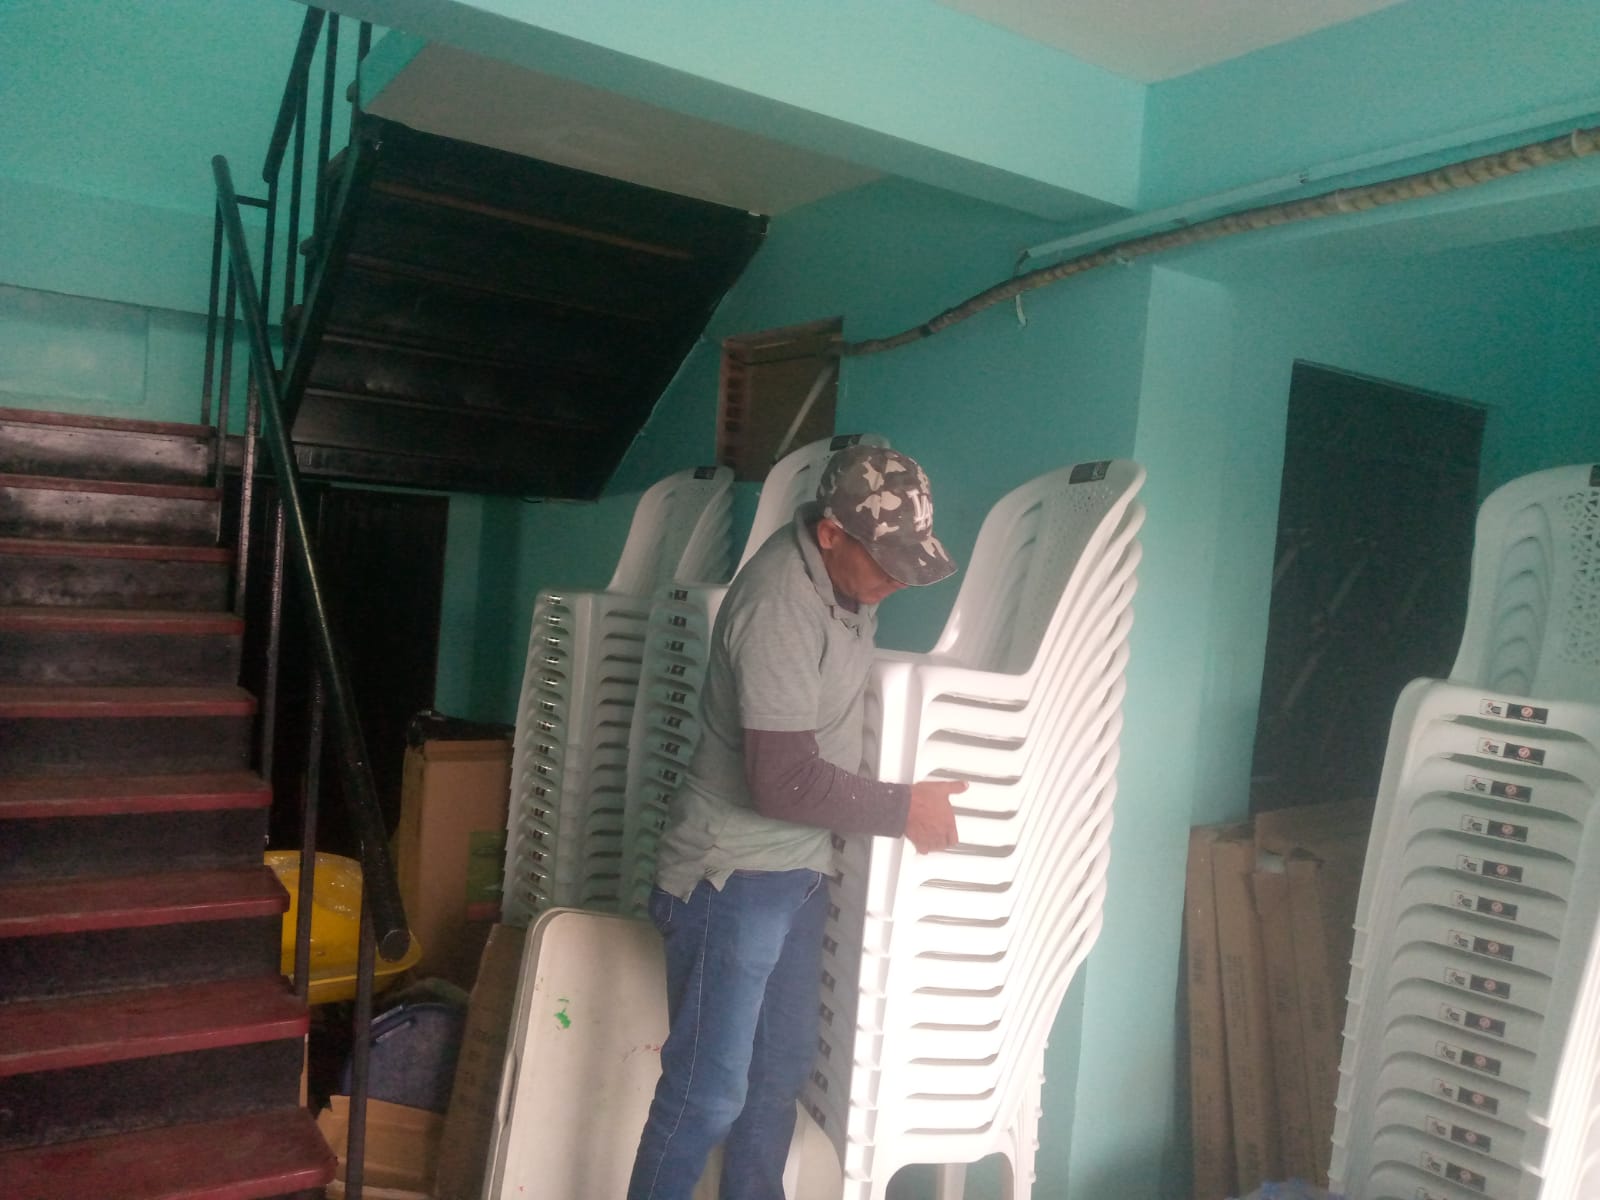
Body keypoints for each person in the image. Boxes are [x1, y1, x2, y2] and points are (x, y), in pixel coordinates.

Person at [626, 444, 968, 1200]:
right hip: (731, 878)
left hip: (797, 871)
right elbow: (779, 780)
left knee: (775, 1077)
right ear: (830, 533)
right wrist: (902, 807)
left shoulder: (846, 583)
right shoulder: (779, 604)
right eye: (886, 562)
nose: (897, 581)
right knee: (707, 1094)